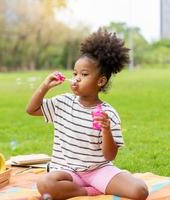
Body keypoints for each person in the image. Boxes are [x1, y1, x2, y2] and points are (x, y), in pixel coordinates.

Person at [26, 29, 149, 200]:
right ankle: (89, 191)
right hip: (66, 171)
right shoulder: (63, 102)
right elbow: (31, 110)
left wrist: (106, 130)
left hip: (98, 170)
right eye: (75, 73)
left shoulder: (108, 114)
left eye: (84, 75)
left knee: (140, 191)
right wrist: (44, 87)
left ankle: (92, 186)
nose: (76, 78)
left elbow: (109, 155)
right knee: (45, 184)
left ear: (100, 81)